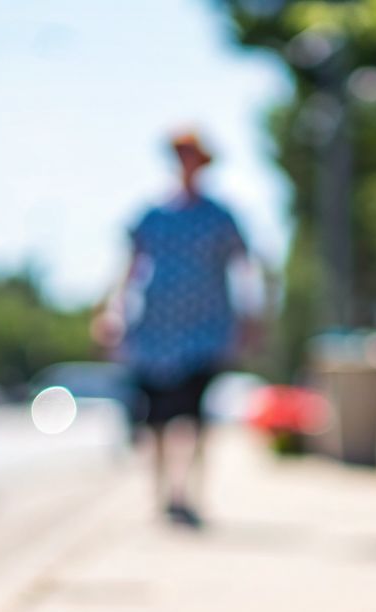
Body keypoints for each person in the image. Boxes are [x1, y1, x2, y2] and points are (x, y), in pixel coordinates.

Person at [99, 130, 252, 527]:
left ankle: (190, 494)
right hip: (154, 330)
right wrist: (113, 313)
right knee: (157, 421)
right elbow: (129, 269)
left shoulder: (220, 216)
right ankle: (163, 494)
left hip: (204, 329)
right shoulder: (152, 216)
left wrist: (251, 318)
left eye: (193, 155)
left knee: (195, 418)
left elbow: (243, 268)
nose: (187, 162)